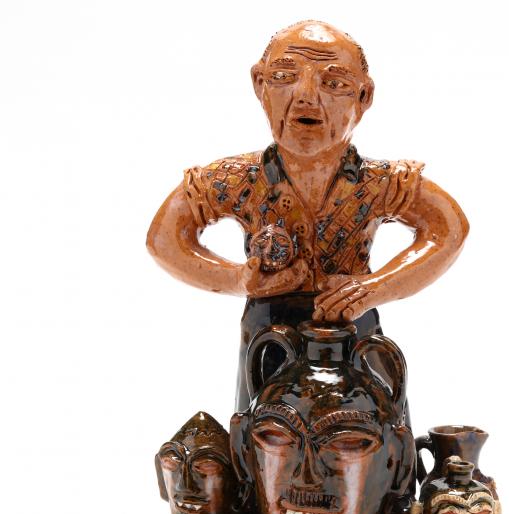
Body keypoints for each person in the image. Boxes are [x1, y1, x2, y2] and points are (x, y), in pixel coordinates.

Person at [146, 19, 469, 414]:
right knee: (265, 430)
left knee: (368, 429)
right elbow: (165, 238)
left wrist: (373, 289)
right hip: (268, 334)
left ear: (363, 96)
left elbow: (448, 229)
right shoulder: (237, 179)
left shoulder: (381, 182)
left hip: (353, 331)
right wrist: (237, 279)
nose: (305, 96)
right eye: (284, 77)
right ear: (260, 85)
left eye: (334, 83)